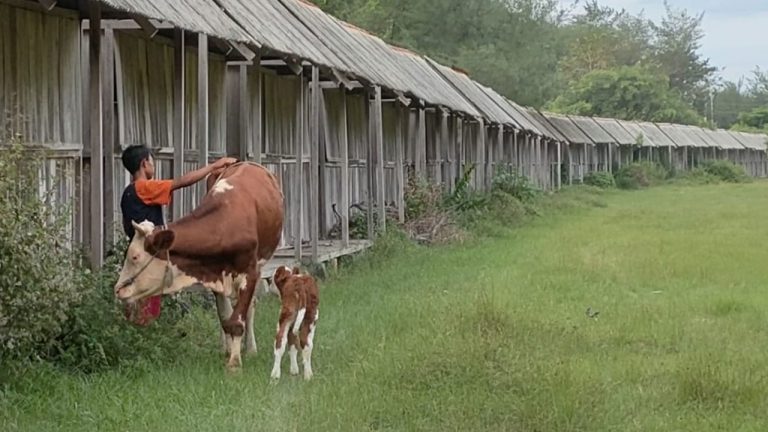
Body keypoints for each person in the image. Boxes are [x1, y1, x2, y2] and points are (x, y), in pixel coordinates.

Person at [118, 144, 237, 325]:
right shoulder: (144, 187)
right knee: (146, 309)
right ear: (144, 164)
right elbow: (181, 182)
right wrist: (213, 167)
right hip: (151, 256)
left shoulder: (128, 192)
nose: (153, 165)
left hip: (137, 254)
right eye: (152, 161)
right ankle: (229, 321)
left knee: (137, 301)